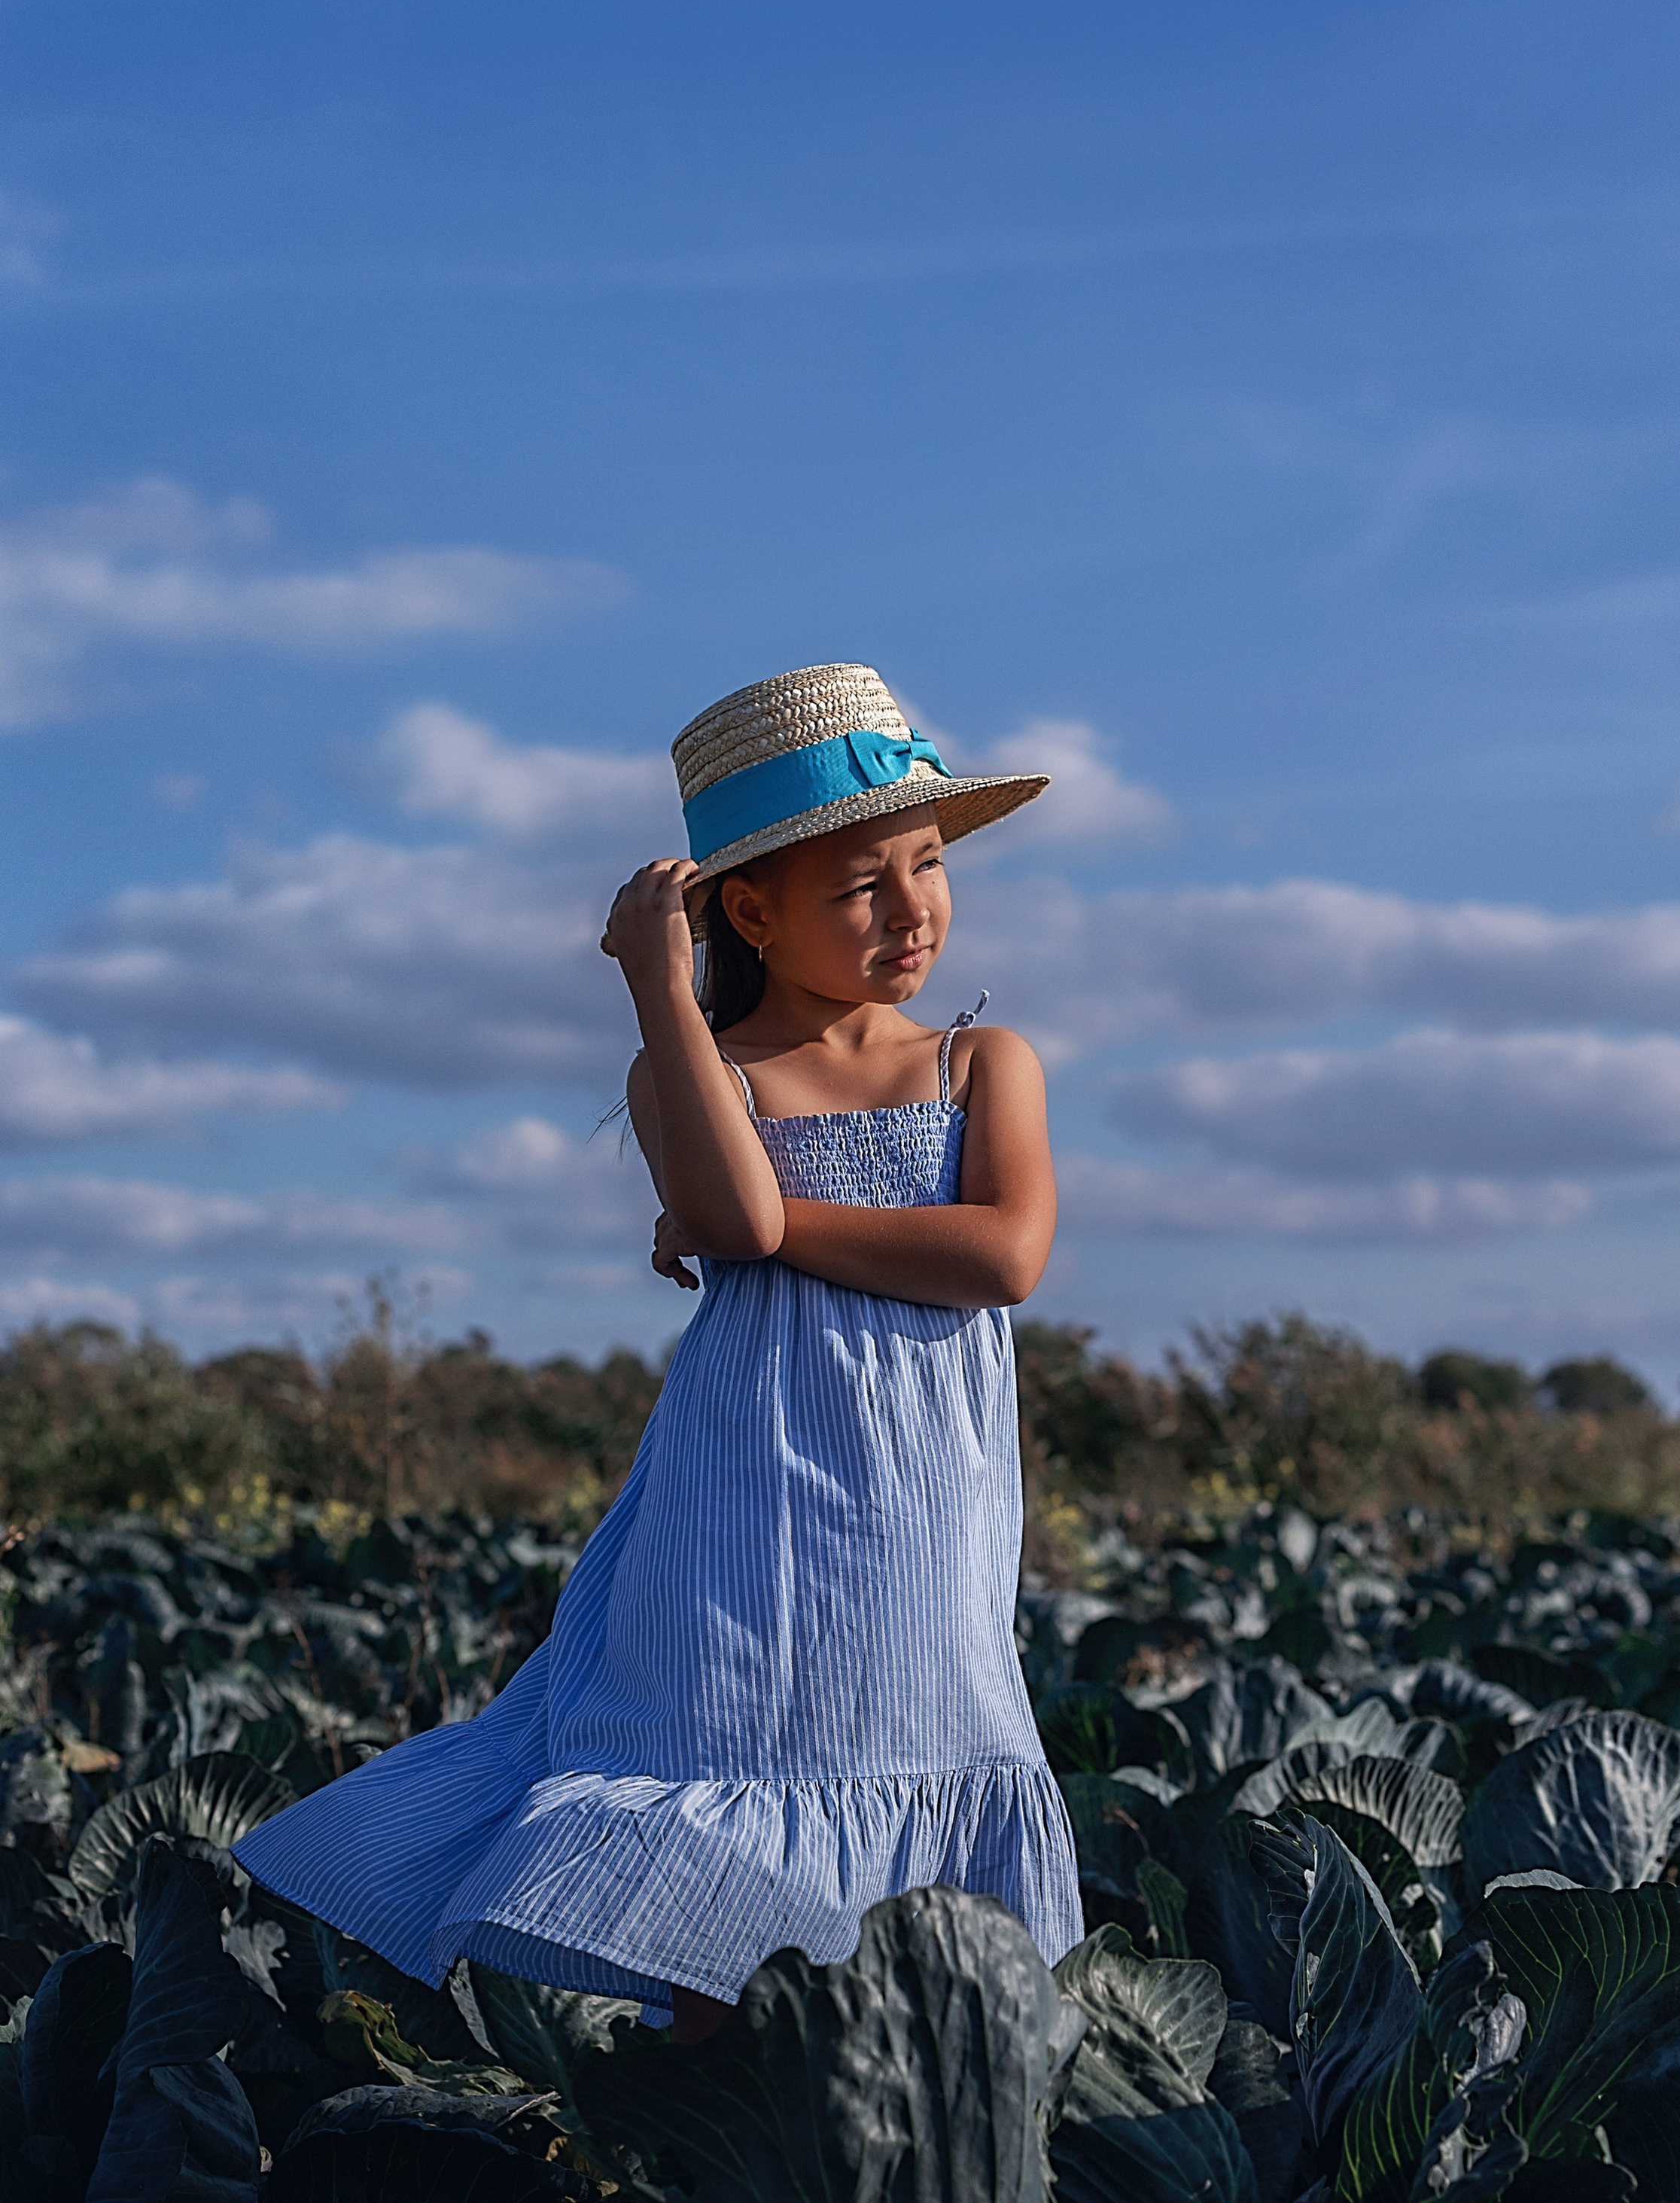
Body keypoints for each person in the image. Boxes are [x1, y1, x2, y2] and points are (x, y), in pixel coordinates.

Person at [236, 664, 1084, 2039]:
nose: (913, 908)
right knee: (719, 1763)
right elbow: (733, 1217)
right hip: (743, 1482)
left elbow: (999, 1259)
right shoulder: (694, 1068)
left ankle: (903, 2113)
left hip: (923, 1494)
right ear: (749, 909)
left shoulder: (982, 1062)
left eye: (927, 865)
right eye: (861, 884)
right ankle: (713, 2143)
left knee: (925, 1741)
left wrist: (748, 1218)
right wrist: (658, 985)